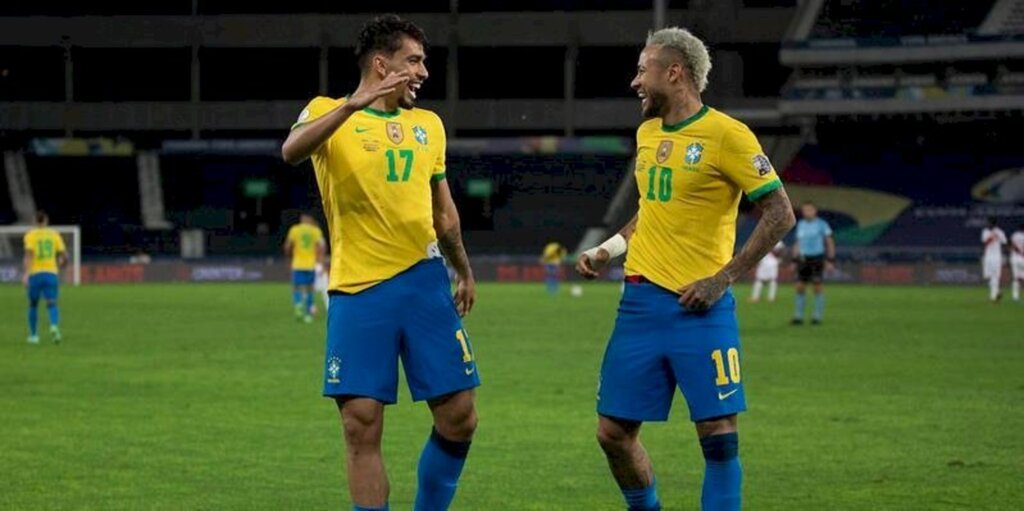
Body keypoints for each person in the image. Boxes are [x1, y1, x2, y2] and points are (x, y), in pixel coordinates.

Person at [576, 27, 794, 511]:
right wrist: (608, 250)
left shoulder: (727, 135)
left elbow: (780, 212)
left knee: (717, 434)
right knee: (612, 433)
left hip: (700, 308)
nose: (635, 82)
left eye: (642, 70)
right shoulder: (647, 132)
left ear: (674, 73)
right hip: (638, 306)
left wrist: (723, 278)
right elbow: (651, 209)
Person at [281, 14, 478, 511]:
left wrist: (464, 269)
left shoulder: (427, 125)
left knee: (460, 415)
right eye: (414, 60)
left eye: (424, 61)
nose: (423, 71)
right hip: (358, 289)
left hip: (424, 283)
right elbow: (291, 151)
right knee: (360, 423)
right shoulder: (329, 111)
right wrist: (353, 104)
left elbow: (445, 214)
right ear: (380, 63)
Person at [22, 211, 67, 344]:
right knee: (52, 302)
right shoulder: (54, 235)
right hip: (51, 273)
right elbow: (64, 256)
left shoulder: (30, 235)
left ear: (35, 221)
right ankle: (54, 326)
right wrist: (61, 264)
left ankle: (34, 336)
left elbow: (29, 255)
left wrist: (25, 273)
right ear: (46, 221)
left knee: (33, 305)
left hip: (35, 274)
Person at [791, 202, 834, 325]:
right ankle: (798, 316)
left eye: (810, 210)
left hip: (817, 258)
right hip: (803, 259)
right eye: (805, 210)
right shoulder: (801, 224)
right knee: (799, 287)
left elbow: (829, 241)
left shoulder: (822, 224)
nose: (807, 212)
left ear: (815, 211)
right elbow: (798, 243)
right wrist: (794, 260)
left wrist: (830, 259)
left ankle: (817, 316)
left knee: (817, 287)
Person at [284, 213, 326, 323]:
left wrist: (289, 255)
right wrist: (320, 263)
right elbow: (320, 248)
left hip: (297, 264)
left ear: (302, 219)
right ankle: (308, 314)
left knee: (296, 287)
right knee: (309, 289)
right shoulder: (315, 231)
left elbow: (288, 246)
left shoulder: (295, 230)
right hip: (311, 264)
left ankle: (298, 305)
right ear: (310, 219)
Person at [981, 217, 1007, 303]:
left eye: (989, 223)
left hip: (997, 257)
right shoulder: (985, 232)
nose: (987, 224)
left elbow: (1004, 243)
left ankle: (993, 296)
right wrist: (992, 236)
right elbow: (984, 243)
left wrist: (1002, 255)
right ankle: (997, 292)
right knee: (988, 277)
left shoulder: (1000, 232)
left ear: (993, 223)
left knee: (995, 276)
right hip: (988, 256)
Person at [1011, 224, 1024, 302]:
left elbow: (1012, 245)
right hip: (1022, 258)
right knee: (1021, 277)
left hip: (1014, 258)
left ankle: (1015, 296)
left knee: (1016, 277)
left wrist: (1018, 251)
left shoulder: (1014, 235)